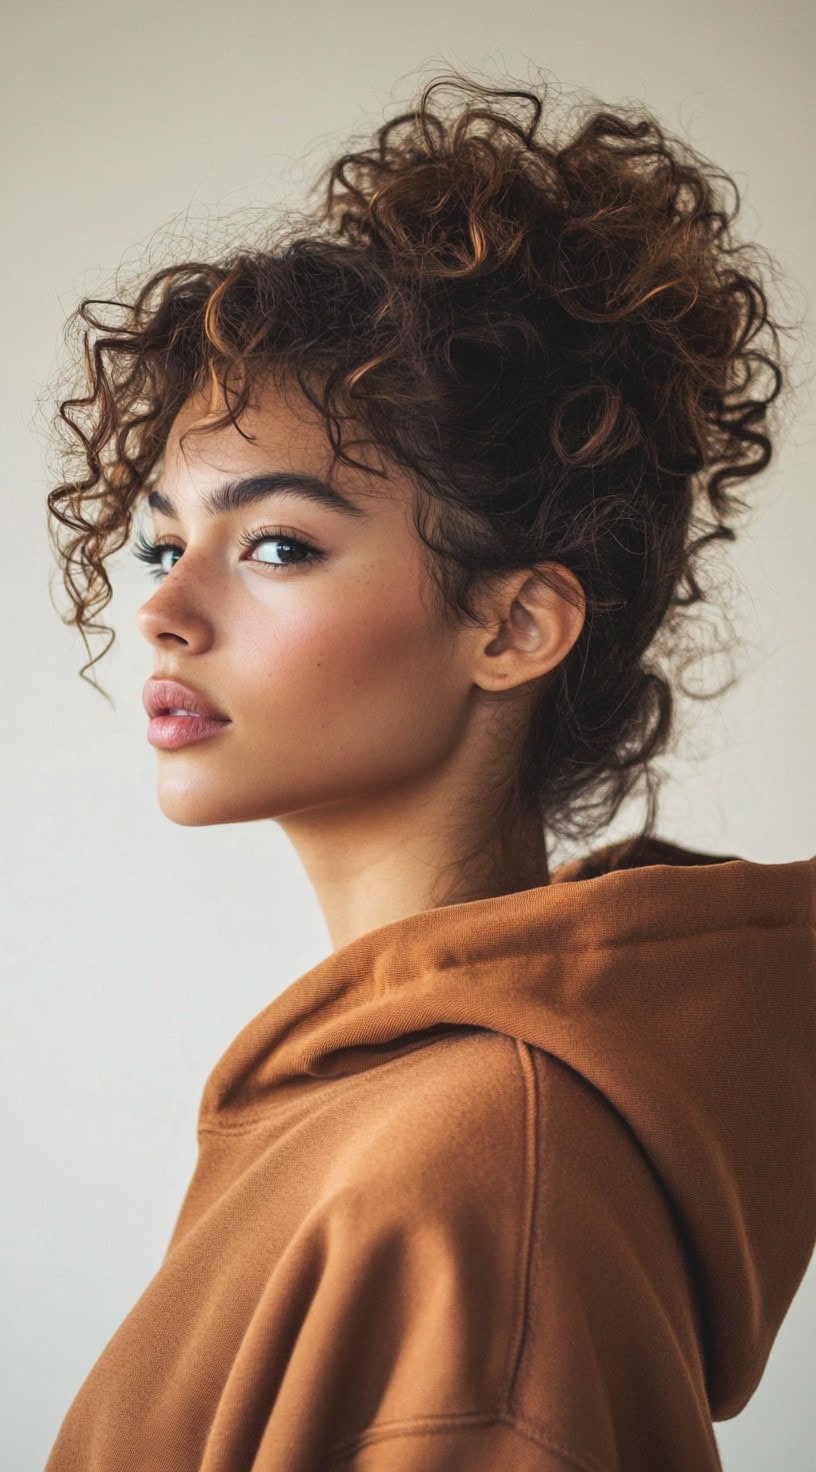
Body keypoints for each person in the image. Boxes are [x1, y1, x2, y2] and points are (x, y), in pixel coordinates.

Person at [43, 68, 815, 1471]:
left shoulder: (474, 1173)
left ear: (514, 624)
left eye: (276, 544)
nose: (164, 605)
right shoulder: (377, 1108)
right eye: (162, 542)